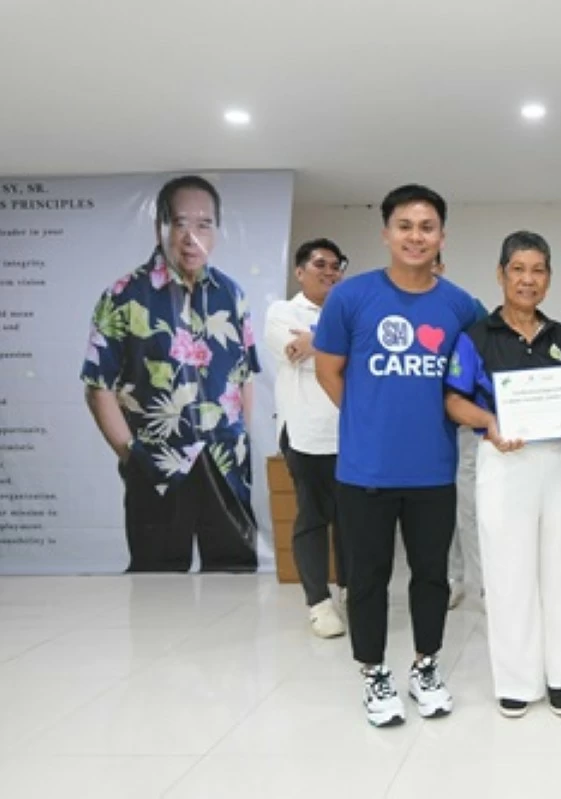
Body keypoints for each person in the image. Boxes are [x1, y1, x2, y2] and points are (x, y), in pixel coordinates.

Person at [313, 184, 476, 727]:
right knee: (366, 579)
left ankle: (426, 667)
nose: (415, 236)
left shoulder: (459, 304)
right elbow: (328, 370)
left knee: (431, 577)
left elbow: (480, 374)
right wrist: (368, 419)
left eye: (427, 227)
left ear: (441, 236)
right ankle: (374, 674)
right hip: (364, 472)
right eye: (405, 226)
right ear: (386, 234)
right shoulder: (350, 297)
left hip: (433, 470)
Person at [445, 231, 561, 718]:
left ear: (549, 278)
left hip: (559, 462)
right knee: (509, 571)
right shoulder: (475, 337)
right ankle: (517, 680)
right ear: (501, 274)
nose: (528, 280)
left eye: (538, 270)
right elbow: (453, 400)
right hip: (503, 460)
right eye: (519, 269)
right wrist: (489, 421)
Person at [82, 175, 260, 573]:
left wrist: (241, 439)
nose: (190, 236)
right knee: (156, 584)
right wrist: (132, 456)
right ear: (159, 225)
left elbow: (244, 375)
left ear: (216, 230)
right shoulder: (125, 294)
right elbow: (98, 386)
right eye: (180, 223)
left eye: (203, 224)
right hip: (158, 465)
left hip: (226, 462)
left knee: (233, 576)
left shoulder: (232, 294)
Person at [265, 238, 349, 637]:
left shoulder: (349, 308)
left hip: (351, 430)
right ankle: (319, 602)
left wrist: (319, 339)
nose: (330, 271)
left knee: (355, 518)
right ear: (300, 272)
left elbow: (343, 347)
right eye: (320, 264)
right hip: (305, 431)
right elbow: (295, 349)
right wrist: (336, 340)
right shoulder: (283, 311)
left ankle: (351, 589)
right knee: (314, 517)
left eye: (336, 265)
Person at [432, 252, 488, 610]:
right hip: (422, 427)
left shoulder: (466, 306)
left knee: (468, 505)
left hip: (462, 421)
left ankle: (481, 584)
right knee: (440, 508)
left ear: (441, 266)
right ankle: (450, 576)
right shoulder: (397, 311)